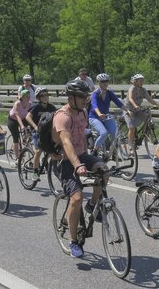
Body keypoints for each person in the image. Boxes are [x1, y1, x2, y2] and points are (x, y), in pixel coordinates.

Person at [52, 80, 107, 258]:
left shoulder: (83, 112)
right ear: (71, 98)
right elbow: (66, 142)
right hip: (65, 161)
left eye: (86, 96)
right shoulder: (62, 116)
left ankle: (92, 206)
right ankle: (73, 241)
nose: (86, 99)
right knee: (76, 198)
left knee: (104, 170)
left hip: (82, 155)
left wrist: (95, 156)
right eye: (82, 96)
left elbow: (84, 135)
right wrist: (77, 165)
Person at [88, 73, 129, 154]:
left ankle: (113, 152)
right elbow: (94, 105)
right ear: (99, 83)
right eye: (103, 81)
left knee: (114, 133)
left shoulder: (109, 93)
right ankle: (95, 151)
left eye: (106, 81)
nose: (105, 83)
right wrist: (99, 114)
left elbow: (119, 103)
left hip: (105, 117)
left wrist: (127, 110)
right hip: (94, 117)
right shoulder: (95, 94)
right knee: (104, 133)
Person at [25, 87, 57, 181]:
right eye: (43, 95)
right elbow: (28, 117)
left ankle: (47, 161)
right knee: (38, 151)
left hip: (48, 132)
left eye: (47, 95)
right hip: (37, 132)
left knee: (55, 149)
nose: (46, 97)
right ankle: (35, 173)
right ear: (39, 97)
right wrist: (35, 127)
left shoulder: (51, 107)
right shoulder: (36, 107)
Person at [126, 74, 159, 151]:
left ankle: (143, 133)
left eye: (142, 80)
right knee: (132, 127)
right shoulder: (132, 89)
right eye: (140, 81)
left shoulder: (143, 90)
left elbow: (149, 99)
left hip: (137, 109)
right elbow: (130, 98)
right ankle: (130, 147)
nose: (142, 82)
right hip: (129, 110)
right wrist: (135, 105)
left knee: (147, 114)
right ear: (135, 82)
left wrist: (156, 104)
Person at [7, 89, 32, 162]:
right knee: (16, 139)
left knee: (30, 129)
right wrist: (21, 126)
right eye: (26, 96)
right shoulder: (17, 103)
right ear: (22, 97)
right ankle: (18, 158)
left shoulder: (29, 103)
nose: (28, 97)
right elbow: (17, 115)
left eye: (28, 96)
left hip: (23, 118)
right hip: (13, 120)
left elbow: (29, 115)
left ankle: (24, 139)